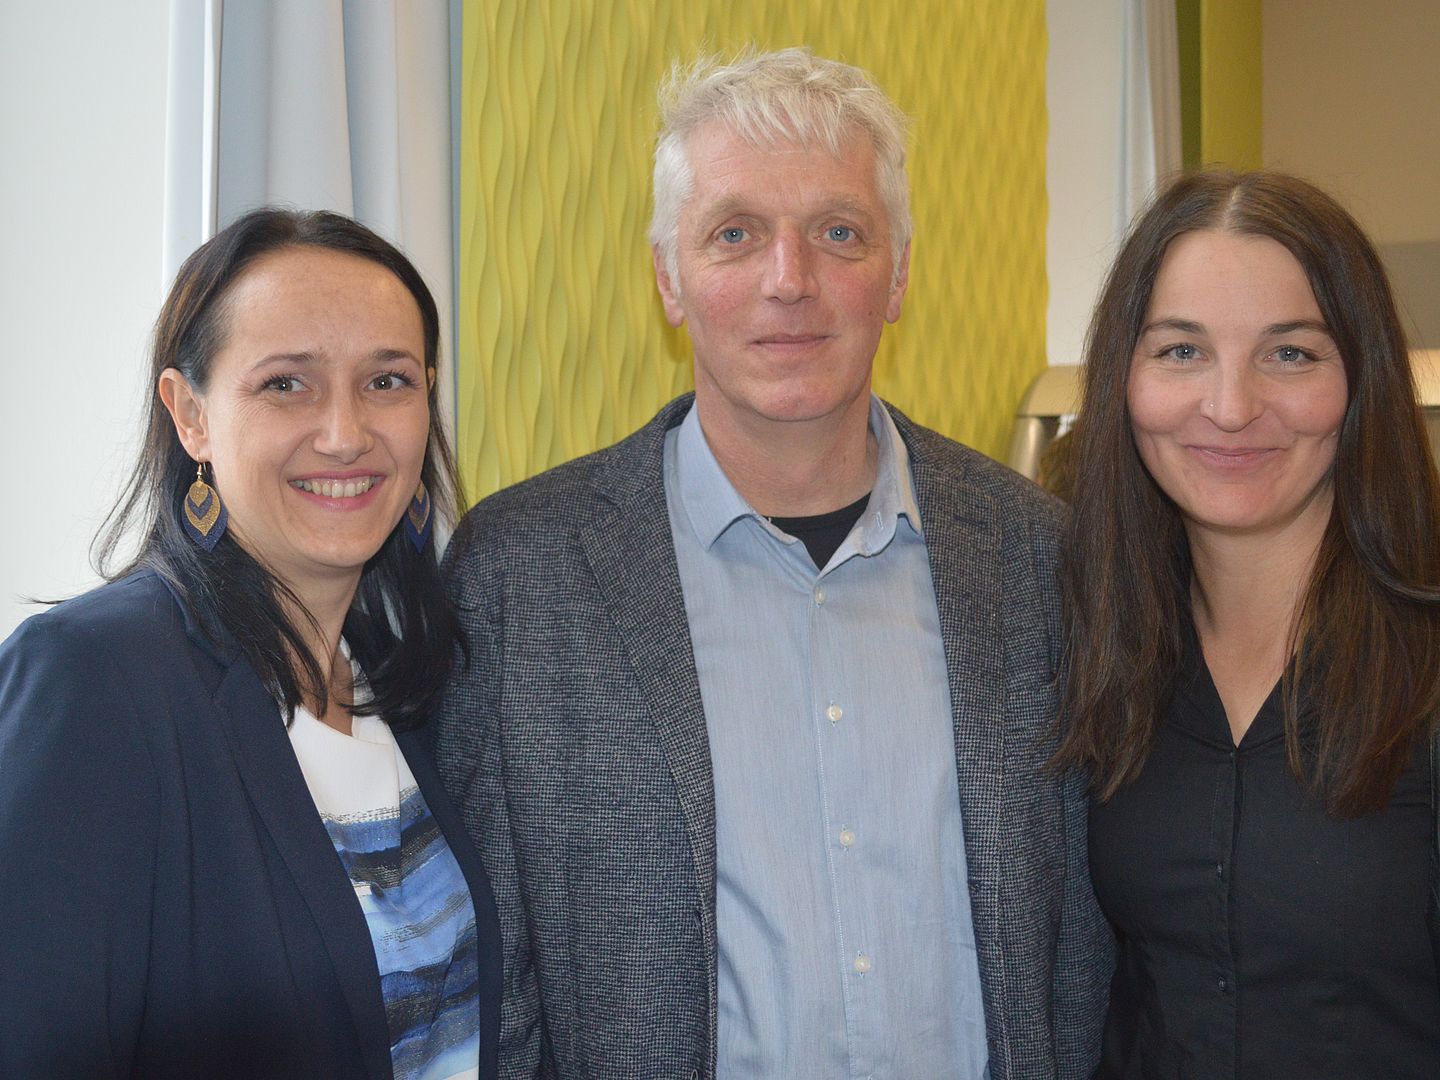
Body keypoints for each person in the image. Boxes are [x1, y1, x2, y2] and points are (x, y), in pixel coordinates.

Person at [436, 47, 1110, 1080]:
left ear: (899, 274)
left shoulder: (1035, 556)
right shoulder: (523, 574)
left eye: (839, 233)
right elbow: (498, 972)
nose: (788, 281)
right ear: (669, 278)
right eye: (735, 233)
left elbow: (1082, 950)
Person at [0, 209, 502, 1079]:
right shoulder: (91, 680)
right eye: (287, 384)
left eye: (387, 381)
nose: (345, 433)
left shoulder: (406, 682)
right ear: (190, 415)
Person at [1054, 170, 1440, 1078]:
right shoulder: (1093, 644)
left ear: (1363, 378)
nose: (1230, 407)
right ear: (1123, 377)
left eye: (1290, 353)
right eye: (1181, 350)